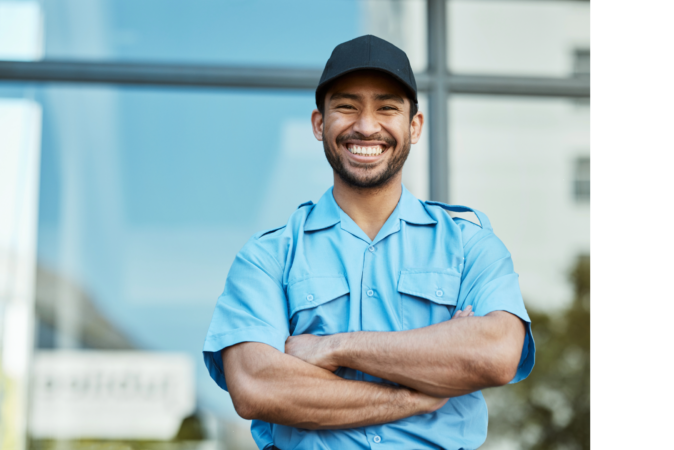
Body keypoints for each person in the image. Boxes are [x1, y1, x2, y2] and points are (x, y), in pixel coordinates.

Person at [203, 35, 535, 450]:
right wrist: (416, 396)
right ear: (319, 123)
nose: (365, 125)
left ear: (414, 126)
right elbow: (257, 386)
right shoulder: (267, 257)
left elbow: (496, 354)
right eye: (346, 106)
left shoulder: (470, 245)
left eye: (387, 107)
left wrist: (333, 348)